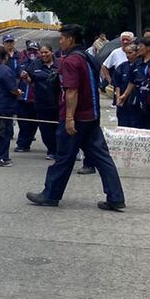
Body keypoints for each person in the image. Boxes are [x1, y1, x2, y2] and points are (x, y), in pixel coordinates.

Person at [26, 24, 126, 211]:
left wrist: (69, 118)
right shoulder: (88, 57)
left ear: (71, 39)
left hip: (77, 118)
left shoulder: (71, 61)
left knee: (63, 157)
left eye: (62, 38)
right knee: (102, 158)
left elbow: (72, 91)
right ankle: (116, 197)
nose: (60, 42)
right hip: (91, 116)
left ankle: (50, 195)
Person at [27, 43, 60, 159]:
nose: (43, 55)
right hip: (42, 103)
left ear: (52, 52)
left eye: (46, 52)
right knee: (46, 129)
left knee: (60, 128)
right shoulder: (35, 65)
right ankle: (51, 150)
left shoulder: (60, 64)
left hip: (58, 103)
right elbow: (30, 81)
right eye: (41, 53)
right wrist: (26, 78)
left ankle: (62, 150)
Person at [14, 43, 40, 153]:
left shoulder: (41, 65)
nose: (32, 53)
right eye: (30, 50)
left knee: (33, 124)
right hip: (22, 99)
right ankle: (21, 144)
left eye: (35, 50)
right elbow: (15, 79)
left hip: (36, 100)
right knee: (23, 123)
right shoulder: (21, 64)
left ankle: (25, 143)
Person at [113, 44, 141, 128]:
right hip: (123, 102)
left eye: (130, 53)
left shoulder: (140, 65)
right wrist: (118, 97)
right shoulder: (122, 66)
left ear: (137, 53)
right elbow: (117, 84)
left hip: (136, 101)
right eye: (126, 53)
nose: (128, 55)